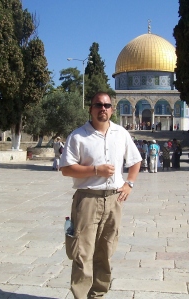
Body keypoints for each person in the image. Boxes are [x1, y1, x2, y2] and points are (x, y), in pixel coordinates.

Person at [59, 91, 142, 299]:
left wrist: (129, 184)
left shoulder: (121, 133)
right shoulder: (78, 136)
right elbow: (66, 169)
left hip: (114, 200)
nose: (102, 109)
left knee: (105, 251)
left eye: (106, 105)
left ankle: (98, 295)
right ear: (91, 109)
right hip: (87, 199)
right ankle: (80, 295)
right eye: (98, 105)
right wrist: (96, 170)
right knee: (82, 252)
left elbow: (135, 160)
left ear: (112, 110)